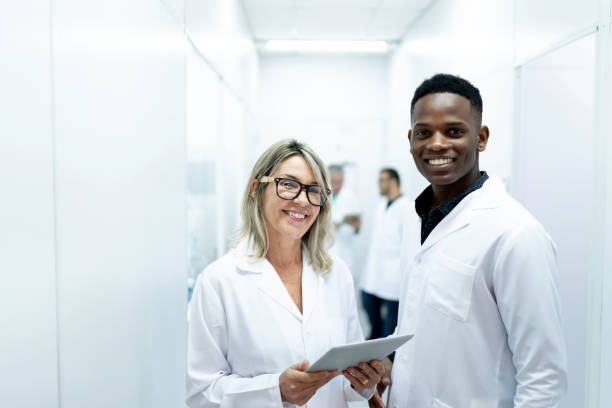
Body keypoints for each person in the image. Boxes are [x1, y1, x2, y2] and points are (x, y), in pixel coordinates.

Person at [371, 74, 567, 408]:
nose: (436, 144)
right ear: (410, 139)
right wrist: (390, 366)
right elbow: (422, 324)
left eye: (454, 131)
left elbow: (544, 378)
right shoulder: (415, 217)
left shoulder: (516, 235)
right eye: (423, 132)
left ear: (481, 137)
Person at [186, 139, 385, 408]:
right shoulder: (219, 281)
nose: (303, 200)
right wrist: (274, 391)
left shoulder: (337, 274)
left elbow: (348, 384)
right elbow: (200, 393)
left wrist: (363, 381)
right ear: (257, 189)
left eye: (314, 190)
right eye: (288, 185)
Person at [359, 168, 413, 339]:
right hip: (373, 276)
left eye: (382, 180)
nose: (379, 185)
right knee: (372, 322)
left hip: (394, 279)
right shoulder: (380, 206)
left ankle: (387, 362)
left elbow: (409, 246)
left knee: (389, 331)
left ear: (393, 181)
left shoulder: (408, 208)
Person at [328, 165, 361, 273]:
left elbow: (358, 228)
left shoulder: (351, 197)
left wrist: (345, 222)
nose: (337, 186)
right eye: (333, 182)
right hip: (326, 249)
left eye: (340, 182)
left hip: (345, 252)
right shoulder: (320, 195)